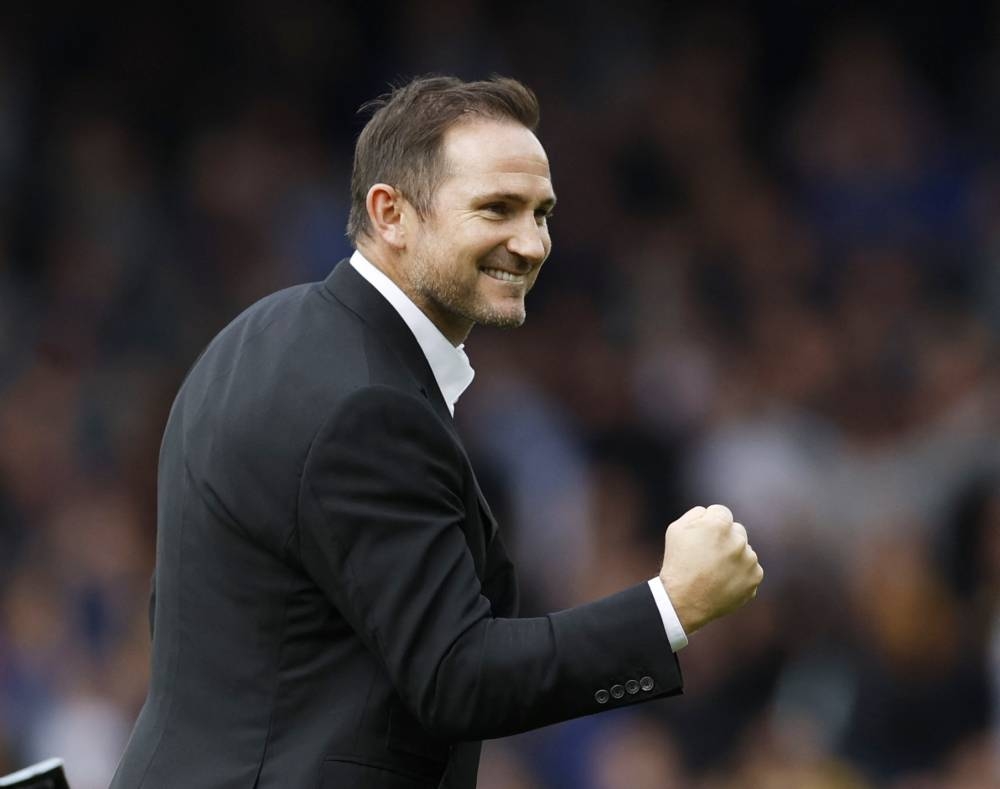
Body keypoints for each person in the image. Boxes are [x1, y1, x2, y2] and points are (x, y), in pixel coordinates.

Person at [110, 76, 763, 789]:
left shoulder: (256, 336)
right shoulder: (369, 405)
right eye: (498, 209)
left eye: (542, 212)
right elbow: (458, 673)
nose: (532, 242)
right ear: (390, 212)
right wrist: (671, 604)